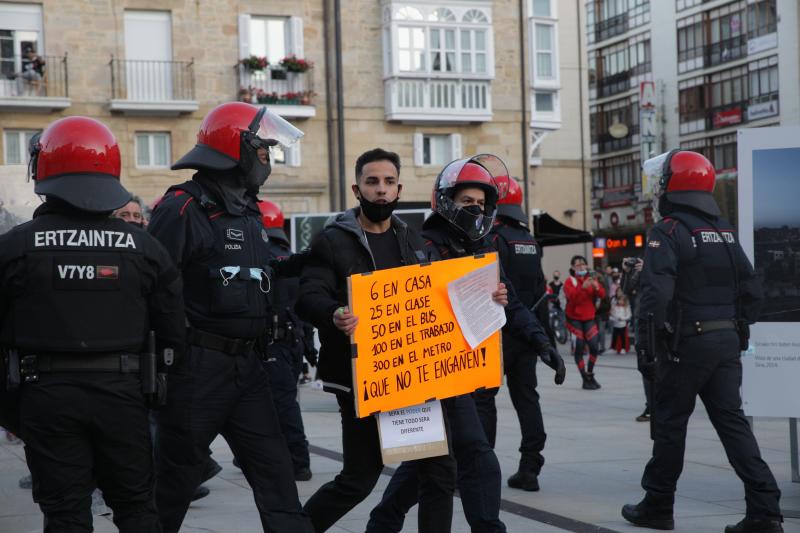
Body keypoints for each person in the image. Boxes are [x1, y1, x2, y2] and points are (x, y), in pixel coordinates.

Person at [0, 116, 185, 532]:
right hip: (123, 394)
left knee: (65, 513)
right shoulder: (144, 246)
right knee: (137, 508)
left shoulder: (15, 246)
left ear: (42, 170)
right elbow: (174, 330)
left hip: (45, 394)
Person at [364, 155, 565, 533]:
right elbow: (388, 306)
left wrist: (541, 342)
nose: (475, 209)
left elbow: (512, 302)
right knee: (460, 458)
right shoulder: (414, 244)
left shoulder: (484, 248)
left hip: (462, 373)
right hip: (424, 376)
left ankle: (383, 522)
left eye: (481, 203)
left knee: (441, 458)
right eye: (466, 201)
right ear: (444, 200)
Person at [148, 102, 313, 533]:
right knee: (173, 485)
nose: (268, 159)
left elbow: (258, 274)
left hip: (250, 369)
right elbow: (153, 287)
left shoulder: (249, 209)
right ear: (235, 147)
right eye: (263, 149)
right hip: (197, 371)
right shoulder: (182, 207)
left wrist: (306, 262)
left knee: (277, 477)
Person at [296, 148, 457, 532]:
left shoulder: (414, 241)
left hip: (412, 378)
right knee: (359, 478)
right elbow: (308, 295)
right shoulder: (333, 240)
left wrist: (488, 297)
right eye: (372, 182)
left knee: (439, 472)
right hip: (359, 381)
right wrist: (335, 313)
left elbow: (435, 298)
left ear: (399, 189)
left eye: (388, 182)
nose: (381, 190)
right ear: (357, 188)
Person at [622, 150, 783, 533]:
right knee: (733, 424)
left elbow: (656, 296)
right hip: (726, 341)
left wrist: (649, 345)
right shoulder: (725, 232)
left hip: (687, 344)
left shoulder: (670, 230)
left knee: (670, 423)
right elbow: (754, 290)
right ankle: (765, 511)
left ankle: (658, 506)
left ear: (672, 186)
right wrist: (737, 328)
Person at [472, 174, 555, 492]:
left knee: (483, 400)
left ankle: (481, 468)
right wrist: (543, 337)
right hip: (527, 331)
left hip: (496, 332)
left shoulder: (492, 237)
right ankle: (530, 467)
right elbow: (541, 289)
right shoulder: (530, 240)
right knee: (527, 399)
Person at [256, 199, 314, 482]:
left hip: (270, 345)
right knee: (281, 402)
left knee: (280, 405)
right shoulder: (292, 258)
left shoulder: (259, 258)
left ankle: (298, 461)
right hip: (293, 344)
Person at [563, 255, 605, 389]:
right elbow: (572, 299)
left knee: (594, 347)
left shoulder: (591, 277)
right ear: (572, 268)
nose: (581, 267)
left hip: (589, 317)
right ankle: (584, 378)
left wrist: (596, 287)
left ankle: (590, 373)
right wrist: (583, 288)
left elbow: (603, 295)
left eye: (583, 264)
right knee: (579, 348)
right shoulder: (569, 281)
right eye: (578, 265)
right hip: (574, 319)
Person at [622, 257, 650, 421]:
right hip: (642, 318)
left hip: (663, 318)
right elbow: (627, 289)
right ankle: (651, 405)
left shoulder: (662, 260)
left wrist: (648, 268)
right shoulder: (641, 268)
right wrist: (627, 272)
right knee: (644, 363)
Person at [609, 288, 631, 354]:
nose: (620, 302)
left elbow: (629, 315)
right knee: (614, 337)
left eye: (621, 300)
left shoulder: (626, 307)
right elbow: (612, 315)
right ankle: (613, 348)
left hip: (623, 324)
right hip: (616, 324)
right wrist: (614, 318)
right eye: (619, 300)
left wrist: (623, 318)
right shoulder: (615, 306)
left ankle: (623, 348)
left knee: (622, 337)